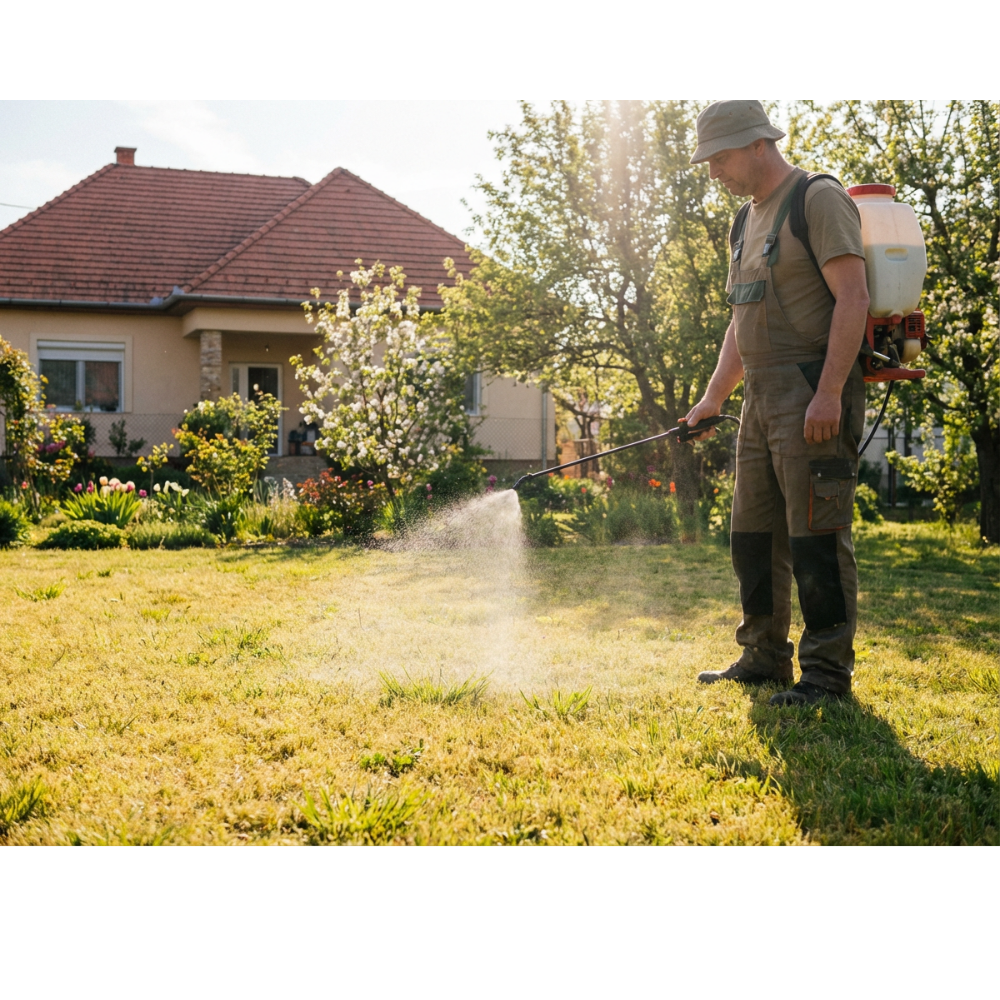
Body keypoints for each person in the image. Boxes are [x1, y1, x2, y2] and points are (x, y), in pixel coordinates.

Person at [683, 100, 869, 706]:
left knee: (817, 533)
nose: (713, 170)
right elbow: (742, 319)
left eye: (720, 157)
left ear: (758, 144)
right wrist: (714, 397)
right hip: (760, 396)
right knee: (753, 534)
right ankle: (764, 657)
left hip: (812, 387)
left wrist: (830, 393)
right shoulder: (744, 221)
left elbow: (853, 298)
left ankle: (825, 675)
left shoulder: (816, 199)